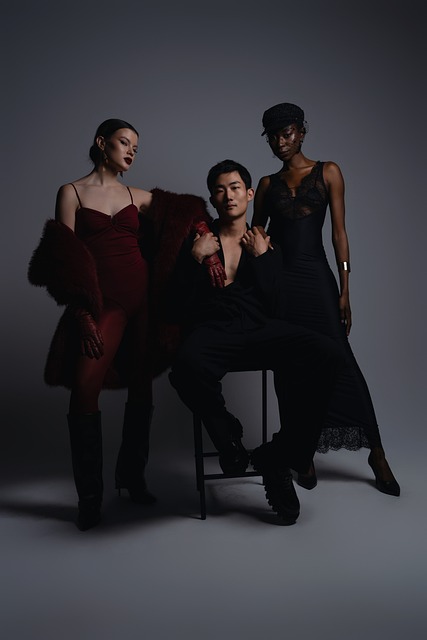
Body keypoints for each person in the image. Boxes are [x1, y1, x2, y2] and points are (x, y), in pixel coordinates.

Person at [28, 119, 211, 531]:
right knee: (84, 390)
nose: (130, 152)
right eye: (124, 143)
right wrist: (81, 314)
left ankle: (132, 476)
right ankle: (90, 499)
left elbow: (187, 210)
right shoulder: (71, 192)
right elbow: (63, 258)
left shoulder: (135, 195)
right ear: (101, 142)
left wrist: (203, 237)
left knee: (142, 388)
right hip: (105, 304)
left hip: (143, 300)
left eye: (135, 148)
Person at [167, 159, 344, 524]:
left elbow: (278, 307)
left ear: (249, 194)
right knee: (184, 366)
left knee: (327, 352)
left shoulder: (265, 243)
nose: (228, 195)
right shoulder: (198, 242)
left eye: (235, 188)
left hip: (260, 329)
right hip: (214, 330)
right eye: (219, 190)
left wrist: (262, 258)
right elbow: (175, 305)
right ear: (212, 199)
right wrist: (194, 258)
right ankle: (228, 438)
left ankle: (278, 457)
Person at [252, 102, 400, 496]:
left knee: (340, 359)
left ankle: (377, 453)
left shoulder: (328, 171)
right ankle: (302, 454)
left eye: (287, 133)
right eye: (273, 136)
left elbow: (339, 233)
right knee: (289, 368)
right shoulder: (266, 185)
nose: (281, 142)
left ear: (302, 132)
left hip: (317, 279)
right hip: (281, 287)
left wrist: (345, 288)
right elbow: (255, 238)